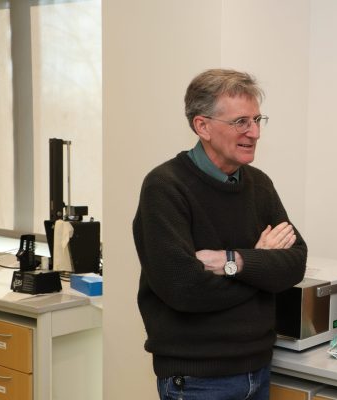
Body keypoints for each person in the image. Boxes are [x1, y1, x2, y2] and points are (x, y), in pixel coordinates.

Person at [133, 68, 307, 400]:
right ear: (203, 126)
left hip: (258, 369)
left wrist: (234, 261)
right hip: (197, 379)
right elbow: (184, 287)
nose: (254, 132)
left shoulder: (260, 185)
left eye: (257, 120)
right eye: (241, 122)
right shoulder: (165, 187)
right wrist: (261, 265)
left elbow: (294, 263)